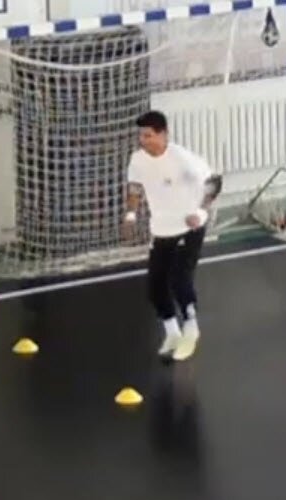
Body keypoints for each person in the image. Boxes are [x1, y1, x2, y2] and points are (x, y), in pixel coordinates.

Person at [123, 110, 222, 361]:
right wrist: (131, 215)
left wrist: (200, 212)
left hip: (189, 227)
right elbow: (135, 187)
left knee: (180, 278)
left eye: (149, 135)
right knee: (155, 287)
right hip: (162, 229)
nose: (143, 140)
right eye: (141, 136)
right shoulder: (137, 160)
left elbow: (214, 183)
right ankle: (172, 332)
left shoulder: (183, 160)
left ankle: (191, 328)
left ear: (163, 134)